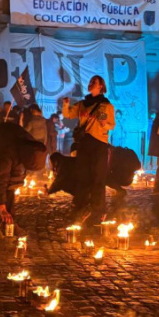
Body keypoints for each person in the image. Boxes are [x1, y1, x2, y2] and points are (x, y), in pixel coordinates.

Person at [62, 76, 116, 221]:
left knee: (98, 177)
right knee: (83, 176)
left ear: (101, 87)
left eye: (95, 83)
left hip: (99, 143)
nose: (91, 84)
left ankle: (98, 210)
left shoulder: (105, 105)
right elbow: (69, 114)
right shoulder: (83, 104)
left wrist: (105, 124)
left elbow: (111, 124)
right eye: (91, 82)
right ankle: (82, 206)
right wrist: (65, 105)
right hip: (85, 143)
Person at [0, 123, 47, 228]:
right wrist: (2, 207)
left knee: (11, 183)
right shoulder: (8, 154)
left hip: (3, 142)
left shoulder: (32, 147)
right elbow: (0, 179)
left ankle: (9, 218)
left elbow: (15, 176)